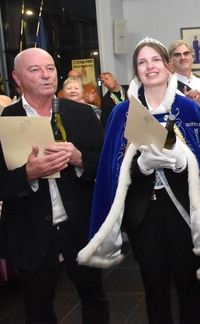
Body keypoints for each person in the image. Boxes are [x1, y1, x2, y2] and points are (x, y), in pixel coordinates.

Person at [78, 37, 200, 323]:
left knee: (189, 285)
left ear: (168, 66)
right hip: (143, 213)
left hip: (183, 211)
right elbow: (112, 167)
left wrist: (182, 163)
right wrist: (140, 166)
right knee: (154, 287)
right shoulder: (122, 112)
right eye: (142, 62)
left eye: (155, 60)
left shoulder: (188, 108)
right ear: (136, 71)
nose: (149, 66)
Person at [0, 48, 109, 323]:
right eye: (35, 70)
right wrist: (27, 174)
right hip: (31, 230)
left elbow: (107, 163)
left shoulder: (82, 114)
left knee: (94, 298)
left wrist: (80, 158)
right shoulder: (4, 121)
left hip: (79, 225)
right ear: (17, 78)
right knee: (37, 308)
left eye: (50, 68)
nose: (46, 75)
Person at [168, 40, 200, 106]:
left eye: (186, 54)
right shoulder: (166, 87)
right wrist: (188, 105)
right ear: (171, 60)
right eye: (177, 55)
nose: (182, 57)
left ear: (192, 57)